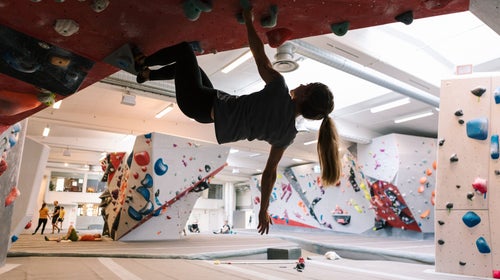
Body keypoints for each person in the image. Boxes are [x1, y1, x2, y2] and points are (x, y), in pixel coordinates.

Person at [133, 7, 341, 235]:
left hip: (201, 103)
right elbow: (270, 172)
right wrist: (263, 209)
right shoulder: (287, 135)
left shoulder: (278, 90)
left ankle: (141, 62)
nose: (302, 84)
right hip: (207, 108)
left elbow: (258, 53)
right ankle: (147, 75)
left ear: (305, 96)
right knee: (193, 71)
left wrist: (249, 21)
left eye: (307, 86)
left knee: (184, 51)